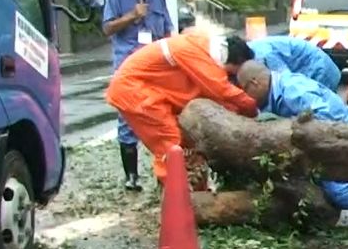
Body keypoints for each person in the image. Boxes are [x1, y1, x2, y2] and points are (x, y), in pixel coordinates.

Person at [234, 60, 348, 227]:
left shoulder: (293, 91)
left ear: (255, 83)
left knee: (340, 191)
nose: (246, 96)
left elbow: (324, 123)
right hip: (335, 138)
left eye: (244, 90)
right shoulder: (275, 91)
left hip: (345, 136)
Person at [105, 30, 257, 187]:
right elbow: (221, 91)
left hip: (144, 91)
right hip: (135, 92)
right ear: (236, 62)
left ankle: (191, 190)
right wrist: (253, 107)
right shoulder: (201, 58)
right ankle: (177, 195)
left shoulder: (202, 46)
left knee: (187, 142)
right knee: (171, 143)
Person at [102, 0, 175, 191]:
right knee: (127, 116)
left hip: (154, 63)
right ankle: (131, 175)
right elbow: (107, 28)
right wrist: (132, 15)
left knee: (160, 115)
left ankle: (163, 171)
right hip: (128, 65)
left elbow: (166, 30)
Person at [223, 35, 343, 93]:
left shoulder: (266, 57)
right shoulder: (248, 51)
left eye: (233, 71)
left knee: (318, 114)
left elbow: (286, 84)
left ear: (240, 61)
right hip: (307, 69)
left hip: (319, 69)